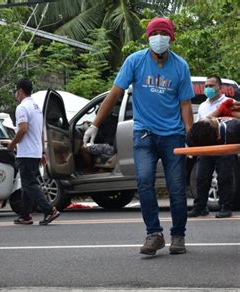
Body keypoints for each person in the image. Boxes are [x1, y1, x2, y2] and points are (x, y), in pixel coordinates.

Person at [83, 17, 194, 256]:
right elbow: (114, 94)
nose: (160, 38)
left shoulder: (180, 66)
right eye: (156, 34)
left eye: (164, 34)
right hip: (144, 133)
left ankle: (178, 235)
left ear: (171, 38)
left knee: (176, 187)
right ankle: (154, 234)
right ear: (148, 37)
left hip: (173, 135)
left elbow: (185, 104)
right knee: (144, 181)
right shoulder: (135, 61)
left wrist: (190, 136)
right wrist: (94, 124)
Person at [6, 79, 60, 225]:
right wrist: (42, 151)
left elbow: (23, 129)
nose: (16, 94)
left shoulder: (22, 108)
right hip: (35, 151)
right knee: (27, 184)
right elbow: (39, 131)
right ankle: (25, 215)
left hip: (26, 153)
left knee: (29, 184)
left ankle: (49, 210)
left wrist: (12, 144)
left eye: (16, 91)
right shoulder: (36, 107)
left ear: (21, 91)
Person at [188, 75, 234, 219]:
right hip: (206, 147)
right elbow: (198, 128)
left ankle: (225, 207)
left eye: (211, 85)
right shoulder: (203, 106)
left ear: (219, 88)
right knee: (201, 177)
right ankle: (200, 207)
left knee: (224, 177)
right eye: (206, 86)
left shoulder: (229, 102)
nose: (208, 88)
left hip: (224, 145)